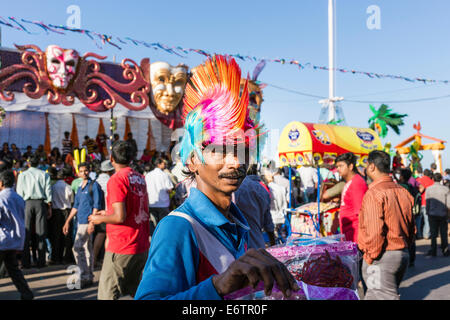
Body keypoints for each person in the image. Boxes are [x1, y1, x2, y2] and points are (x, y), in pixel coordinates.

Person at [134, 55, 298, 300]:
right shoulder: (178, 227)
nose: (235, 162)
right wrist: (218, 286)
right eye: (219, 150)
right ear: (192, 160)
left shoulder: (236, 224)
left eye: (241, 150)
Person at [88, 141, 150, 300]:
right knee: (135, 291)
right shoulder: (139, 178)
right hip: (140, 244)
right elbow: (131, 209)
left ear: (112, 159)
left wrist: (98, 218)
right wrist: (107, 212)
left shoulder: (117, 179)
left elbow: (119, 216)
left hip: (122, 245)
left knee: (107, 294)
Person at [359, 150, 414, 300]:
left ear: (371, 167)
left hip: (382, 255)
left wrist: (370, 257)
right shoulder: (402, 191)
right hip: (401, 253)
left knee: (379, 296)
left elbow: (375, 232)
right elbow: (411, 227)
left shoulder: (374, 193)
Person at [62, 162, 102, 289]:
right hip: (80, 221)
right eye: (81, 171)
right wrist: (67, 221)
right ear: (78, 172)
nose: (84, 173)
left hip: (87, 221)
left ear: (89, 171)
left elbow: (97, 204)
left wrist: (92, 223)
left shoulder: (93, 185)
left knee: (77, 247)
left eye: (86, 170)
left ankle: (84, 275)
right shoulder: (80, 187)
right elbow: (76, 206)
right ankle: (88, 276)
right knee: (86, 248)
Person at [0, 170, 34, 300]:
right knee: (14, 270)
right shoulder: (19, 198)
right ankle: (26, 293)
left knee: (13, 269)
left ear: (1, 183)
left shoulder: (1, 198)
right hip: (15, 240)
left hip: (2, 239)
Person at [16, 155, 52, 268]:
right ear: (39, 163)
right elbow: (48, 191)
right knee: (41, 232)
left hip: (26, 203)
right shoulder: (44, 174)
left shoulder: (23, 175)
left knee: (26, 232)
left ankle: (26, 262)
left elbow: (19, 192)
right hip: (41, 203)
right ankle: (41, 262)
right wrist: (49, 205)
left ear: (28, 163)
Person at [234, 165, 275, 249]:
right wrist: (273, 245)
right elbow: (269, 224)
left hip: (241, 246)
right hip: (258, 244)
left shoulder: (236, 187)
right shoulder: (263, 190)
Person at [335, 152, 368, 243]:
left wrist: (359, 240)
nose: (338, 169)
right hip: (348, 233)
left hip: (355, 235)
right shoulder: (350, 182)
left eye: (341, 166)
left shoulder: (357, 183)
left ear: (350, 166)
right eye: (337, 166)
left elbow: (360, 213)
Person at [92, 160, 115, 268]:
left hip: (97, 211)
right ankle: (105, 261)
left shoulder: (96, 180)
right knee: (106, 236)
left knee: (99, 235)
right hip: (107, 212)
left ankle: (94, 259)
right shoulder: (111, 180)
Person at [48, 169, 73, 265]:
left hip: (56, 212)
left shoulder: (53, 187)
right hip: (66, 211)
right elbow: (71, 200)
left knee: (56, 235)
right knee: (66, 235)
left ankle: (56, 257)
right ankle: (66, 257)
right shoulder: (68, 187)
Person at [145, 158, 174, 235]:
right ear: (159, 164)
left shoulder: (148, 175)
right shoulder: (164, 175)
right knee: (163, 225)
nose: (164, 165)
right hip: (163, 203)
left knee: (154, 225)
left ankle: (155, 238)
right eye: (163, 163)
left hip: (151, 203)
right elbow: (169, 189)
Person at [424, 173, 450, 257]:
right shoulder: (446, 189)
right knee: (443, 233)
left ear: (433, 179)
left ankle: (433, 249)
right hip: (443, 214)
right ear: (441, 179)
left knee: (433, 233)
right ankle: (445, 249)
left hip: (432, 214)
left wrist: (427, 212)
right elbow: (448, 204)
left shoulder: (428, 189)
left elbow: (427, 202)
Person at [264, 170, 288, 244]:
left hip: (273, 218)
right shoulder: (281, 188)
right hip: (282, 217)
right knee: (282, 238)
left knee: (275, 240)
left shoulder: (267, 189)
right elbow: (285, 202)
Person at [416, 169, 435, 239]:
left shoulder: (418, 180)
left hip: (419, 202)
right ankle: (426, 234)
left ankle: (419, 234)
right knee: (427, 220)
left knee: (418, 219)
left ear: (423, 173)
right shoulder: (432, 182)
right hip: (428, 203)